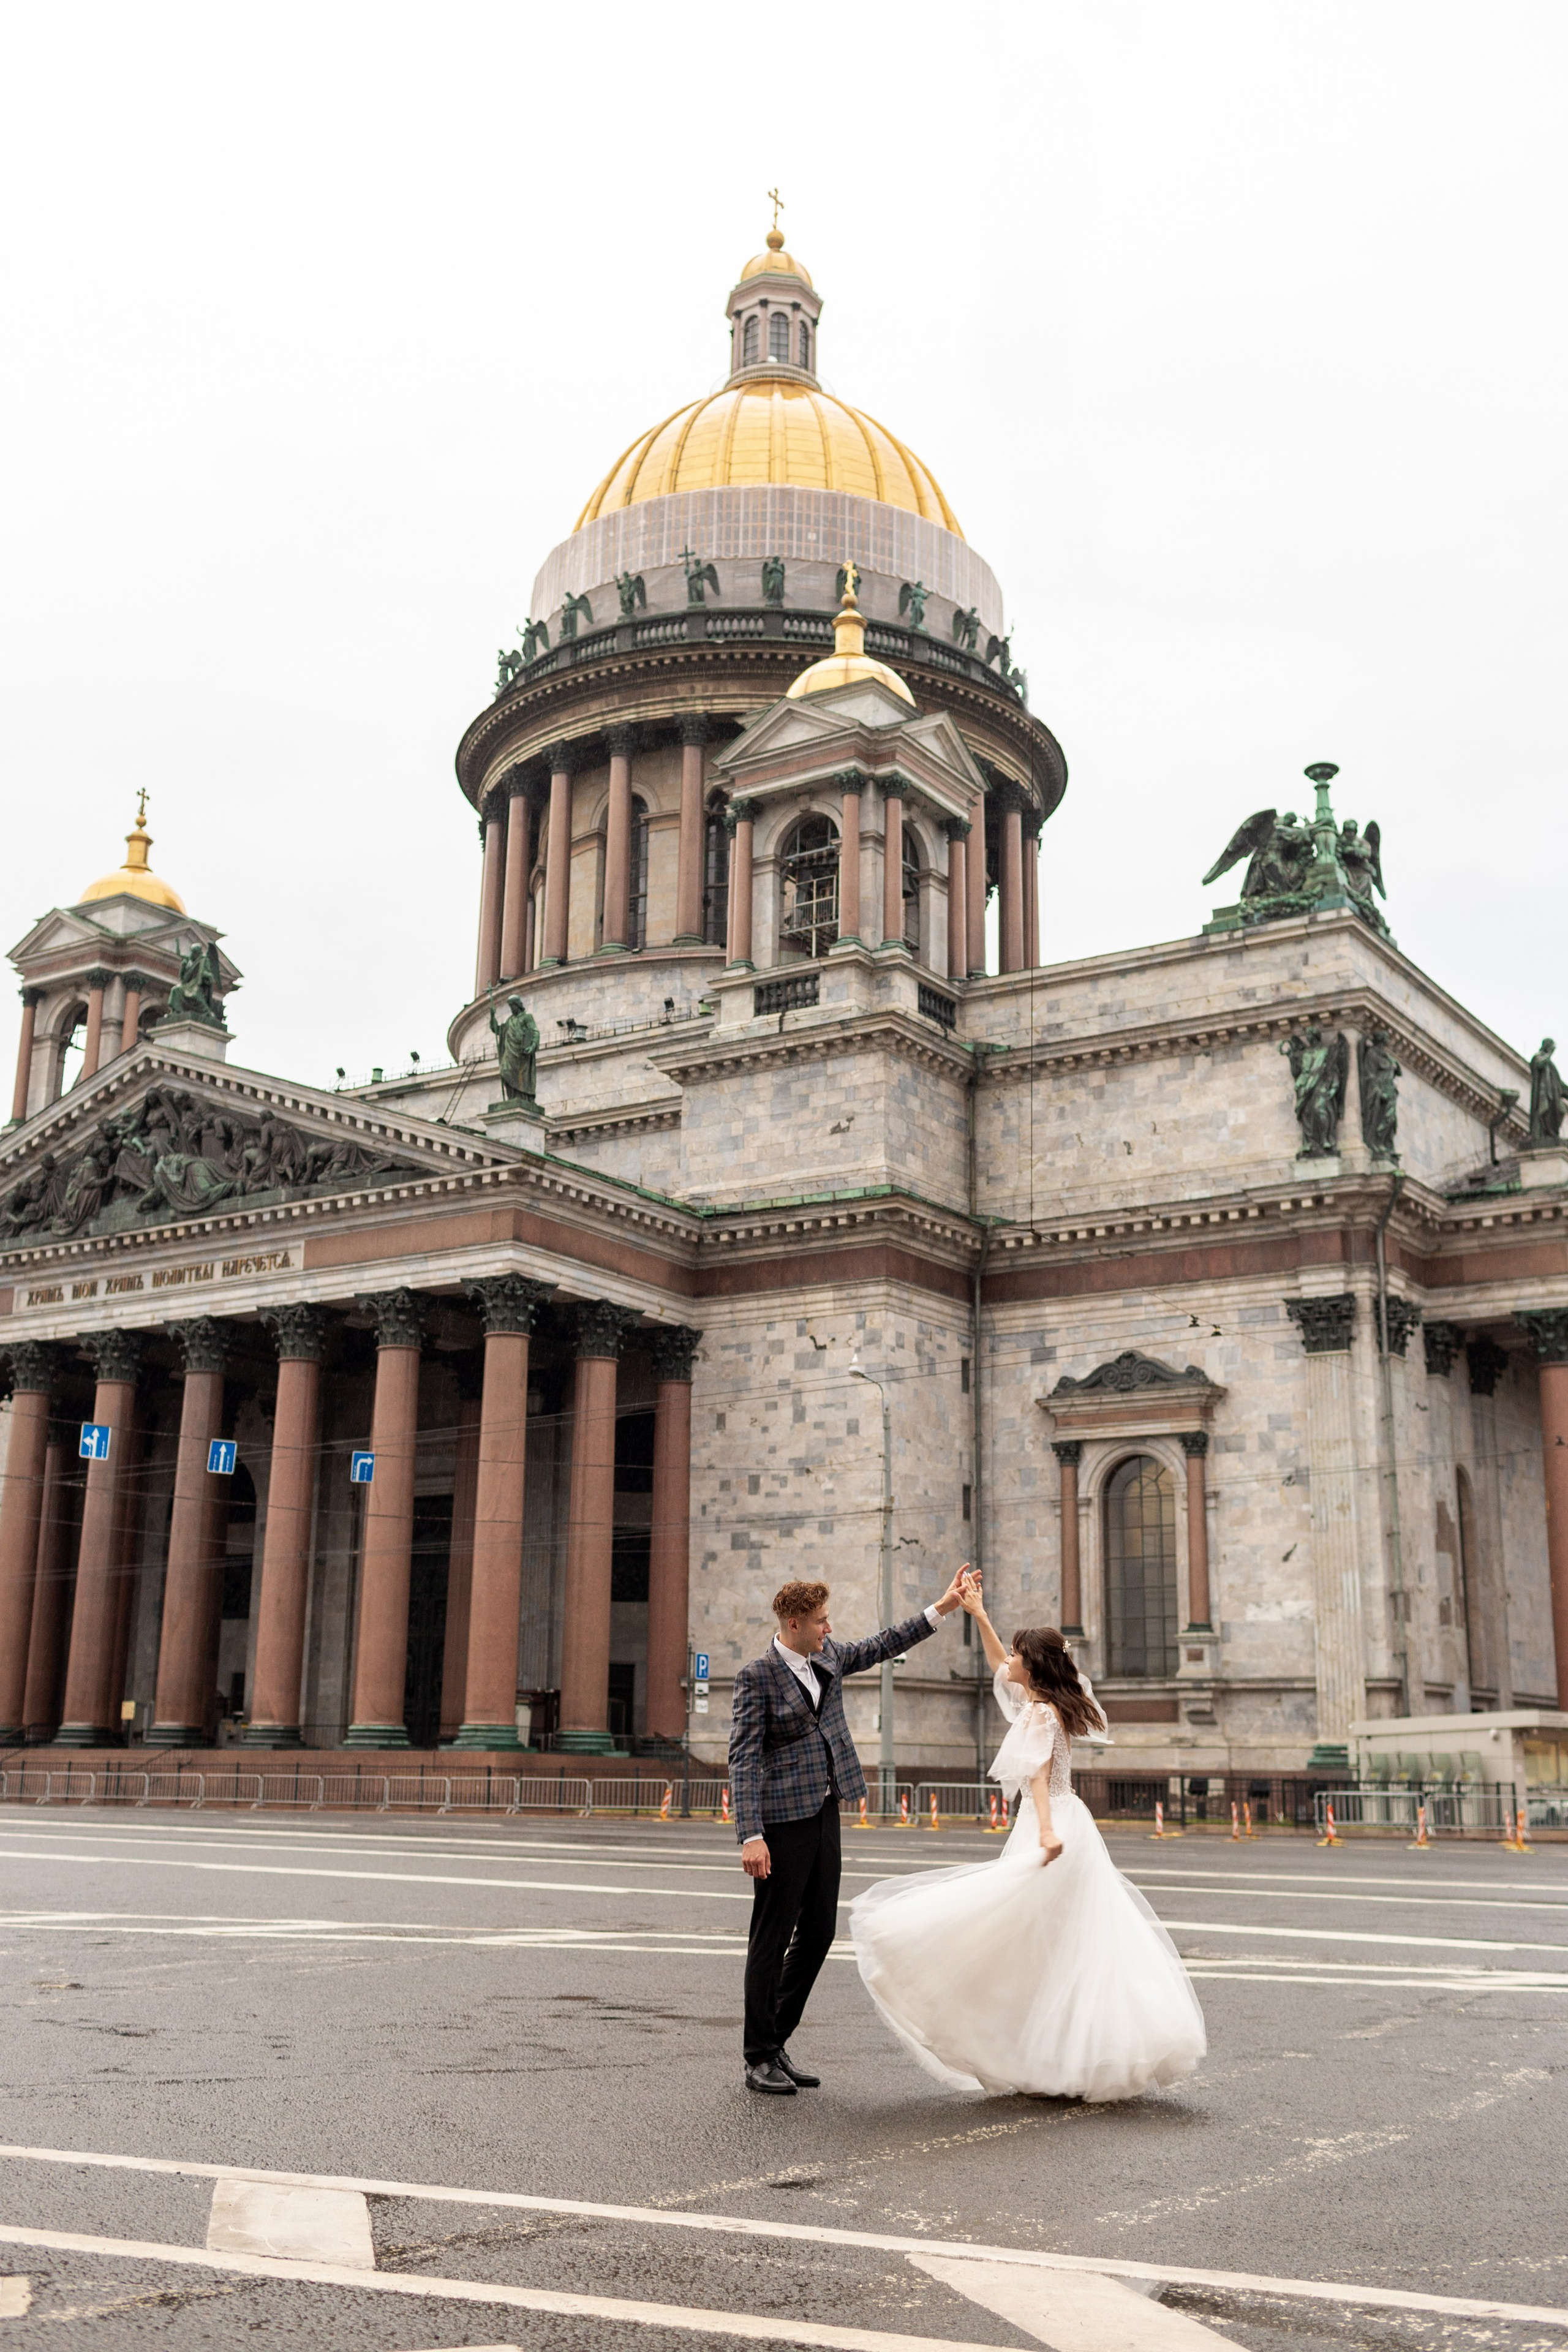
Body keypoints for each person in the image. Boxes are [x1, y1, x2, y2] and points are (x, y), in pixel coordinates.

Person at [848, 1571, 1207, 2101]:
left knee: (1027, 1935)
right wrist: (980, 1616)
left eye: (1019, 1655)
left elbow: (1037, 1774)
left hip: (1053, 1825)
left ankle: (1042, 2054)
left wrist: (1042, 1830)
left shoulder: (1038, 1714)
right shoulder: (1046, 1704)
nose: (1008, 1661)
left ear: (1033, 1667)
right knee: (1065, 1942)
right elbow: (1000, 1666)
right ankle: (1064, 2054)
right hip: (1074, 1823)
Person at [729, 1568, 971, 2096]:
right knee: (770, 1938)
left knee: (818, 1933)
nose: (828, 1627)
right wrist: (751, 1834)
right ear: (793, 1624)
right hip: (780, 1822)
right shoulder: (758, 1677)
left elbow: (885, 1644)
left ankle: (776, 2041)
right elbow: (744, 1760)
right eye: (820, 1621)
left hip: (824, 1810)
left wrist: (944, 1606)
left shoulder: (830, 1656)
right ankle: (758, 2055)